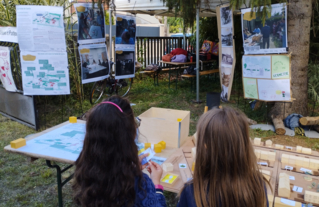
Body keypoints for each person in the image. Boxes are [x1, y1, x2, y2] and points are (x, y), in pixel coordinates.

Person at [73, 96, 167, 207]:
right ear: (129, 135)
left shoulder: (86, 173)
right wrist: (157, 185)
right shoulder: (140, 184)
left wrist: (131, 166)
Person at [177, 107, 270, 207]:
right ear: (244, 144)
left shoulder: (192, 191)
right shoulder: (258, 185)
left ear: (205, 146)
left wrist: (159, 191)